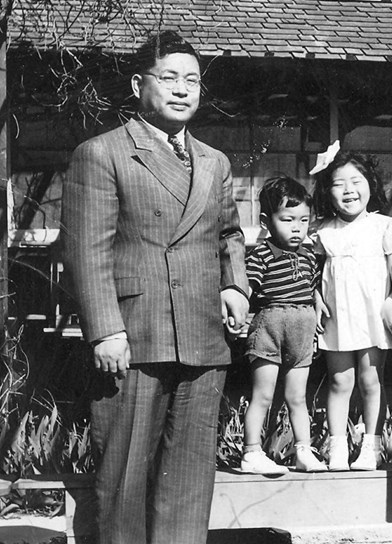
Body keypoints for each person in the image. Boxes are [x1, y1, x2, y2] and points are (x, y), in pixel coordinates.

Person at [61, 30, 250, 544]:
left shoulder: (215, 161)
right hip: (133, 337)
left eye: (192, 79)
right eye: (169, 78)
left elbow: (229, 232)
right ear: (138, 83)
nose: (182, 89)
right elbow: (86, 250)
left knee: (189, 481)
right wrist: (104, 331)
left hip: (201, 334)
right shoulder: (103, 153)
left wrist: (235, 285)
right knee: (122, 482)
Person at [312, 150, 392, 471]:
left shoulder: (385, 226)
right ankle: (337, 447)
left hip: (372, 316)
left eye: (356, 181)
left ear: (371, 184)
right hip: (336, 317)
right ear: (328, 191)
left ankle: (372, 445)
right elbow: (311, 272)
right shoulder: (323, 231)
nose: (348, 190)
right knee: (340, 381)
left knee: (371, 379)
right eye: (338, 184)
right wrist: (314, 297)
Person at [240, 177, 328, 475]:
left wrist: (317, 304)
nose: (296, 227)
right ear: (266, 221)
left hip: (302, 330)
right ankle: (252, 452)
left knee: (297, 397)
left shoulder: (308, 256)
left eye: (304, 220)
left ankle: (304, 450)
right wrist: (237, 311)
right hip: (270, 327)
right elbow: (248, 288)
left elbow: (312, 288)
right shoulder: (261, 254)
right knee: (263, 395)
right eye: (287, 219)